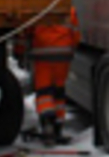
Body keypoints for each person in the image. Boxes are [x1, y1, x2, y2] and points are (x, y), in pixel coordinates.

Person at [29, 9, 79, 144]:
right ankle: (58, 126)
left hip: (42, 55)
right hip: (63, 55)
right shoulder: (69, 10)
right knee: (59, 90)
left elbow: (28, 31)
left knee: (44, 90)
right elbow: (75, 33)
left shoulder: (37, 8)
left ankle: (47, 123)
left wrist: (21, 51)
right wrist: (72, 48)